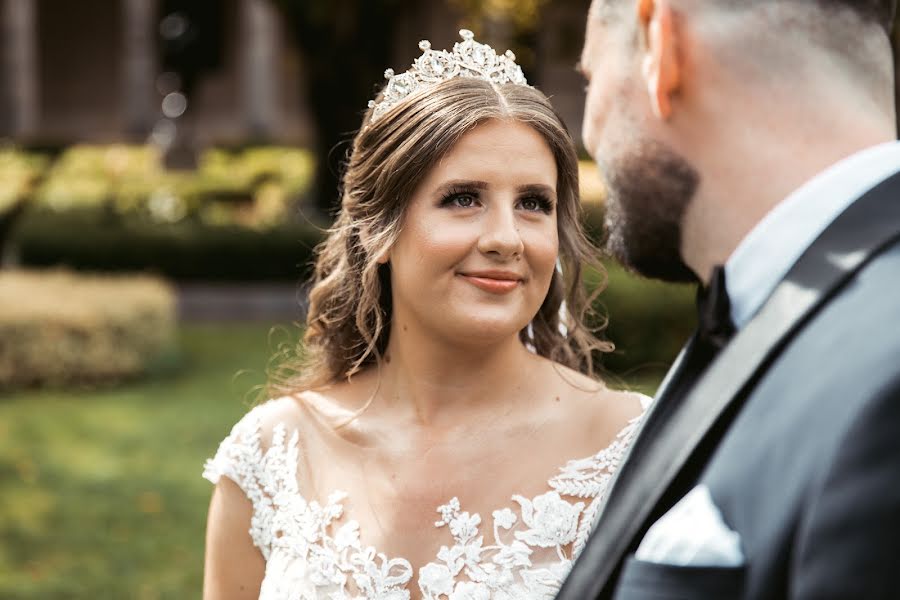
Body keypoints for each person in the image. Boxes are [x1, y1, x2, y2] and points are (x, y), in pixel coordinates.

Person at [201, 30, 646, 600]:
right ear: (376, 228)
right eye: (463, 198)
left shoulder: (629, 447)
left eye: (533, 204)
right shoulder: (272, 457)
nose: (506, 238)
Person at [558, 1, 900, 599]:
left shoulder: (883, 377)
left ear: (660, 46)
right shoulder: (768, 314)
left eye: (592, 77)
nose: (588, 130)